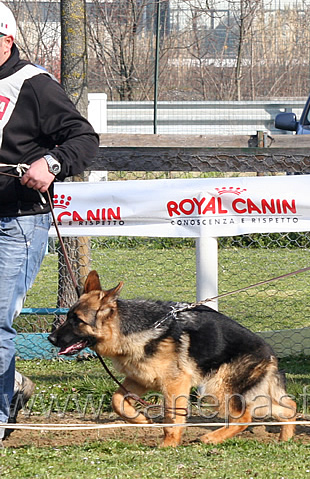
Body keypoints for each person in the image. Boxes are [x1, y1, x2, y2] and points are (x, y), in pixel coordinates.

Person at [0, 2, 99, 445]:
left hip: (18, 221)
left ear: (7, 39)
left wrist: (53, 163)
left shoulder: (34, 84)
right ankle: (15, 384)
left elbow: (83, 136)